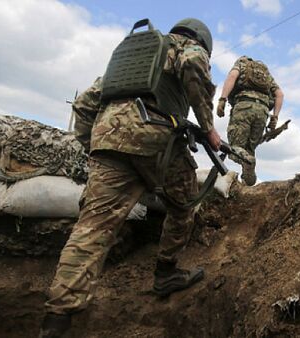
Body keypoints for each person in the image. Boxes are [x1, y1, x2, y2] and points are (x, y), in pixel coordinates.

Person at [39, 18, 221, 338]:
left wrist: (95, 148)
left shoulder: (130, 58)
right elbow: (193, 63)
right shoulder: (187, 48)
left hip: (107, 143)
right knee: (184, 204)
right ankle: (166, 273)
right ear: (203, 41)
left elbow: (83, 105)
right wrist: (208, 128)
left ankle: (56, 320)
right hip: (155, 139)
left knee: (91, 230)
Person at [216, 56, 284, 186]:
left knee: (235, 147)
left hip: (244, 106)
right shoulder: (266, 74)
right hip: (263, 112)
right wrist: (274, 117)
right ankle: (247, 184)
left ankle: (248, 161)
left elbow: (232, 77)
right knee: (250, 149)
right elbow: (280, 94)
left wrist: (222, 99)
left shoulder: (241, 64)